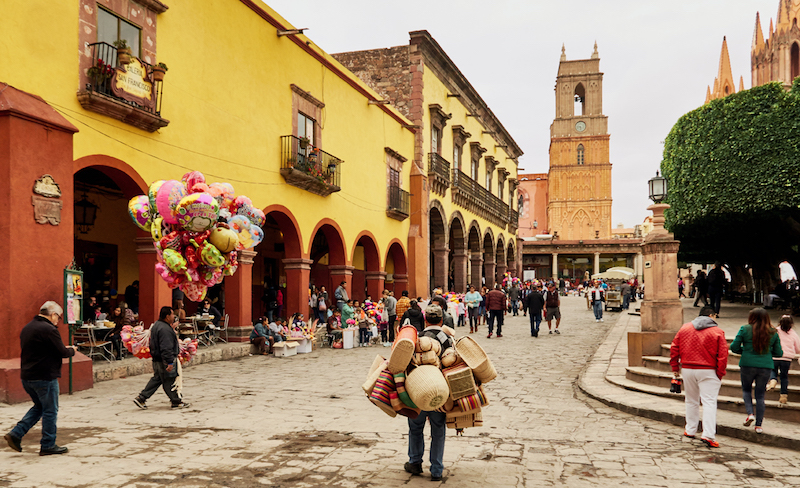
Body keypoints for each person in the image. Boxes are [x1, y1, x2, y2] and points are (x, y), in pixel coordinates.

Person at [4, 301, 77, 455]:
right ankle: (48, 444)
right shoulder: (49, 329)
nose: (58, 321)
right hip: (45, 376)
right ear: (53, 314)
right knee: (50, 410)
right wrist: (72, 350)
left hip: (27, 376)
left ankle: (16, 433)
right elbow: (62, 352)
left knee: (39, 407)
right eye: (59, 317)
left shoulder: (28, 327)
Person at [669, 306, 728, 448]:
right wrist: (720, 373)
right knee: (709, 402)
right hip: (708, 370)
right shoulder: (717, 332)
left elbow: (674, 348)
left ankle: (690, 429)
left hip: (688, 368)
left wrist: (675, 368)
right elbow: (723, 354)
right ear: (712, 315)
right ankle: (708, 434)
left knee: (691, 400)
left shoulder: (685, 328)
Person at [404, 304, 447, 482]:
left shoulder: (418, 338)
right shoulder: (447, 338)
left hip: (418, 391)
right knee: (438, 430)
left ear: (425, 319)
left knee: (415, 428)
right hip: (439, 392)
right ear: (442, 320)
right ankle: (436, 469)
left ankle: (415, 462)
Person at [730, 308, 782, 434]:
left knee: (746, 390)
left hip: (747, 364)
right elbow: (779, 352)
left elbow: (734, 347)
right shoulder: (773, 332)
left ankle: (750, 414)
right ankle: (759, 425)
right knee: (760, 395)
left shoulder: (745, 329)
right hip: (765, 366)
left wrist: (746, 351)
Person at [133, 306, 190, 410]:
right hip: (163, 359)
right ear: (167, 316)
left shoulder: (157, 326)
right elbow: (166, 347)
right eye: (172, 314)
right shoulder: (165, 329)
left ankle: (142, 398)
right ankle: (176, 401)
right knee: (169, 380)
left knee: (158, 379)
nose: (174, 316)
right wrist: (169, 362)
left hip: (157, 358)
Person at [766, 315, 800, 404]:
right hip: (787, 358)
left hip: (775, 356)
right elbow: (798, 348)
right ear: (791, 324)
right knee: (784, 377)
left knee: (772, 370)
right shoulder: (793, 334)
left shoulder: (774, 331)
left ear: (779, 322)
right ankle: (783, 396)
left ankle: (773, 380)